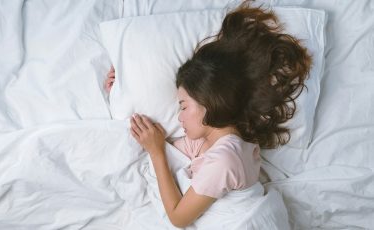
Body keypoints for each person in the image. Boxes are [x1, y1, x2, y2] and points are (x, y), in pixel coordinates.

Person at [105, 2, 311, 228]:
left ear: (207, 101)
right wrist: (120, 87)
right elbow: (157, 140)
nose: (180, 118)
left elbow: (179, 218)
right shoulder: (218, 144)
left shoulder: (226, 158)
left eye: (183, 107)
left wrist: (156, 154)